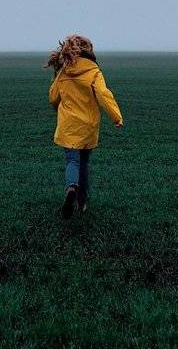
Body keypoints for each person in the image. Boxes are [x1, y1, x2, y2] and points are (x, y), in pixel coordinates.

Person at [46, 34, 123, 219]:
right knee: (85, 163)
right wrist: (116, 117)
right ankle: (82, 203)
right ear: (88, 50)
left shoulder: (63, 72)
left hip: (69, 126)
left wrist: (59, 106)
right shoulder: (94, 72)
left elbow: (53, 96)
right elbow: (104, 95)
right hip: (88, 126)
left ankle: (71, 188)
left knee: (72, 161)